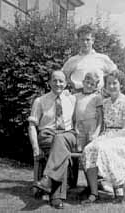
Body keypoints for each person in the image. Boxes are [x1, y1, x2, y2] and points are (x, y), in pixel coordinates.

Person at [81, 70, 125, 204]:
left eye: (114, 83)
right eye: (109, 83)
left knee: (106, 149)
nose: (111, 86)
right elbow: (101, 124)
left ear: (121, 84)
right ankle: (94, 192)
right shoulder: (105, 103)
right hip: (106, 135)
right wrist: (96, 135)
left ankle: (118, 189)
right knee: (89, 149)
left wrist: (107, 138)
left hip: (123, 137)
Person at [28, 71, 77, 209]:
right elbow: (32, 126)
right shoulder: (40, 101)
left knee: (60, 142)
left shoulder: (72, 99)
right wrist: (35, 148)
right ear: (49, 83)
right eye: (54, 80)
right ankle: (56, 196)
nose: (58, 84)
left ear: (66, 84)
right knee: (62, 154)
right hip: (47, 135)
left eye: (61, 81)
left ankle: (47, 181)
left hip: (68, 134)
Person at [62, 24, 117, 93]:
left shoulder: (102, 58)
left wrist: (107, 88)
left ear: (93, 40)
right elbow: (62, 76)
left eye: (88, 39)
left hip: (98, 97)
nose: (85, 43)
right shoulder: (72, 60)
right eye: (82, 40)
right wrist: (72, 85)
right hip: (78, 96)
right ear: (78, 41)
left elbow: (115, 74)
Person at [74, 72, 103, 152]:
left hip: (91, 125)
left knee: (90, 147)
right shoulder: (76, 96)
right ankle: (78, 164)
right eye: (87, 82)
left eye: (92, 84)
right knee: (79, 148)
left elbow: (100, 117)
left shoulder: (96, 97)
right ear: (83, 82)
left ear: (96, 87)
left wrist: (97, 132)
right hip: (79, 125)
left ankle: (89, 164)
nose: (89, 85)